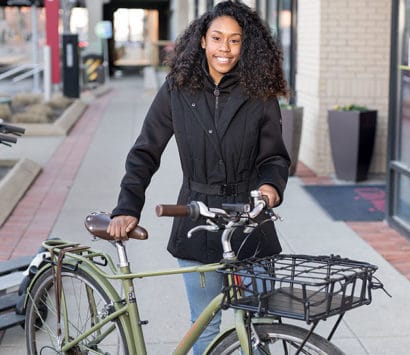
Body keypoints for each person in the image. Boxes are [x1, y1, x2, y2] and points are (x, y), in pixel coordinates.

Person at [107, 1, 291, 353]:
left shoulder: (260, 93)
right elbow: (145, 152)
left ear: (245, 45)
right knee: (205, 329)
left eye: (235, 40)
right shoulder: (178, 89)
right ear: (203, 41)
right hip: (197, 222)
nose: (225, 48)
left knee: (261, 328)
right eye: (218, 38)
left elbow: (274, 157)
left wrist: (270, 188)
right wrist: (127, 207)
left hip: (250, 221)